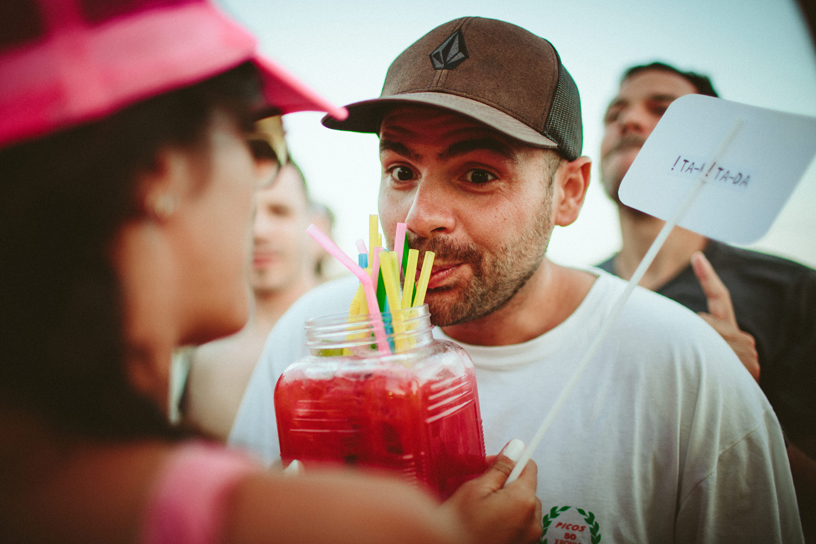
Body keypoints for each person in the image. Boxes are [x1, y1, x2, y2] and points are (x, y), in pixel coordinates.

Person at [230, 16, 804, 542]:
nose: (417, 216)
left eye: (477, 174)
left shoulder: (686, 369)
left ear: (569, 193)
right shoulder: (317, 345)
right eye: (401, 170)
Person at [0, 2, 544, 543]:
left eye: (476, 174)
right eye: (256, 142)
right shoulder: (323, 523)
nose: (261, 191)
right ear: (156, 173)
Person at [596, 60, 816, 541]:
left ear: (718, 148)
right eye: (615, 112)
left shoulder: (796, 293)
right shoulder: (579, 294)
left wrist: (737, 403)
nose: (628, 121)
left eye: (663, 110)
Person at [183, 151, 330, 440]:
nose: (260, 231)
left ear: (318, 228)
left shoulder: (359, 331)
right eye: (244, 214)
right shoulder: (204, 356)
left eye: (279, 211)